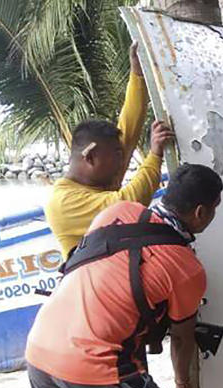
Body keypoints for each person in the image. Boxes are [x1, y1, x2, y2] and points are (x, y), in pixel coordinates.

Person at [25, 163, 223, 388]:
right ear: (201, 212)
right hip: (94, 361)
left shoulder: (115, 212)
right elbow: (181, 339)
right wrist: (182, 383)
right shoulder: (187, 269)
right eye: (215, 208)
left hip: (40, 348)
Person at [45, 42, 174, 256]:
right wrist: (155, 155)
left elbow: (128, 128)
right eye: (116, 156)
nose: (120, 165)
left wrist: (137, 74)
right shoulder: (62, 202)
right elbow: (127, 203)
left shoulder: (100, 176)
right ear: (90, 157)